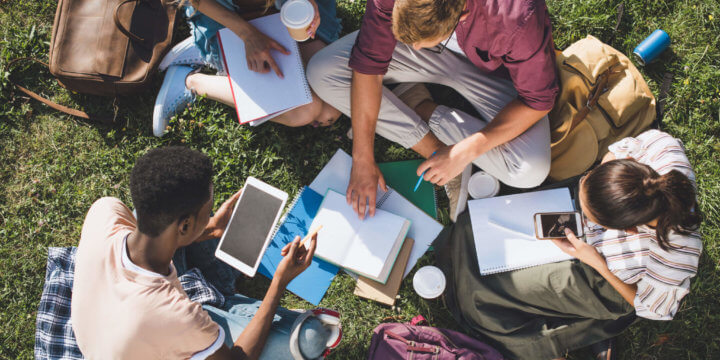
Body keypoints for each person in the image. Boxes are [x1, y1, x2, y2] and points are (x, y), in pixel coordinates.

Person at [436, 130, 703, 360]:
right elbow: (618, 151)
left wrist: (595, 261)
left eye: (591, 215)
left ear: (629, 230)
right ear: (628, 166)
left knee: (487, 298)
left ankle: (572, 334)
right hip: (588, 231)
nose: (586, 219)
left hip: (602, 277)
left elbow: (653, 308)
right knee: (476, 229)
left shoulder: (673, 256)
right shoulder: (661, 150)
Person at [71, 146, 339, 359]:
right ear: (185, 226)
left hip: (115, 323)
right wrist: (280, 282)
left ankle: (225, 294)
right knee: (311, 338)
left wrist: (209, 227)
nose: (210, 214)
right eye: (206, 211)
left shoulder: (104, 211)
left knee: (149, 214)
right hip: (154, 327)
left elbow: (166, 231)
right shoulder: (176, 315)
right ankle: (228, 300)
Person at [306, 0, 559, 221]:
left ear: (461, 16)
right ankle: (433, 148)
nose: (413, 47)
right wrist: (362, 158)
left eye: (418, 42)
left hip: (496, 73)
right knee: (322, 72)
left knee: (529, 170)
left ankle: (420, 107)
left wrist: (462, 152)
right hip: (440, 49)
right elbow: (369, 63)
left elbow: (537, 101)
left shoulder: (516, 15)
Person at [153, 0, 343, 137]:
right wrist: (249, 36)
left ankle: (211, 53)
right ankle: (191, 80)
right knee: (304, 112)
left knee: (330, 109)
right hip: (231, 17)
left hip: (285, 9)